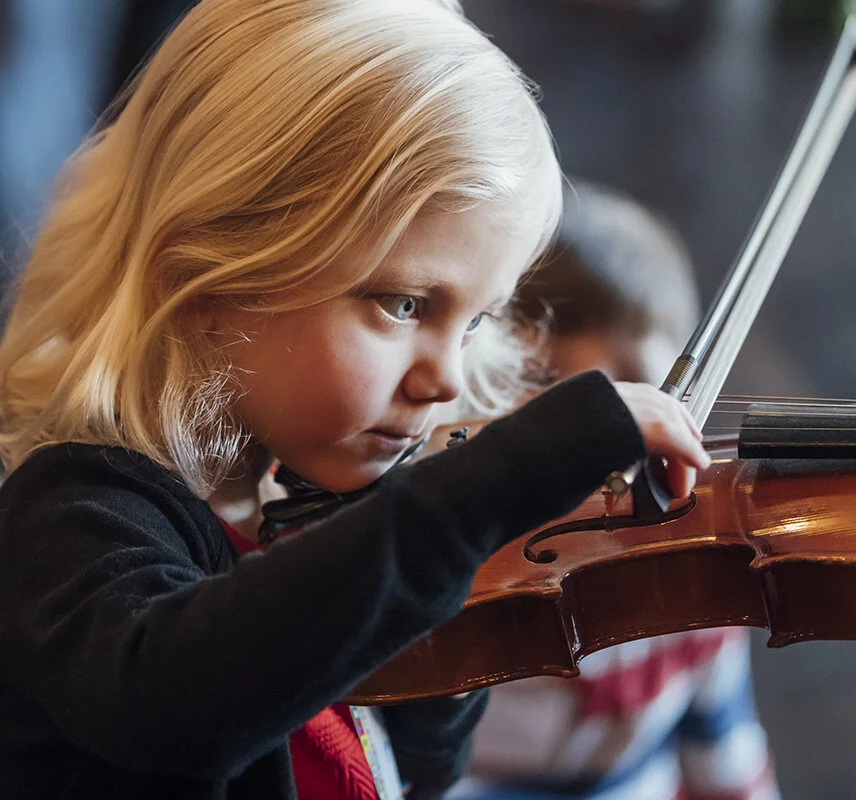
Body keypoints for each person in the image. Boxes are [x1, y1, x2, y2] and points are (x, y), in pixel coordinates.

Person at [0, 2, 711, 798]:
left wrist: (450, 573)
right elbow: (172, 702)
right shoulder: (69, 516)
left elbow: (415, 773)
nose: (443, 381)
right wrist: (478, 493)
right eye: (404, 305)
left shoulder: (296, 503)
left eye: (474, 321)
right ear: (209, 272)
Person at [448, 180, 779, 800]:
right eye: (544, 383)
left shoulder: (691, 582)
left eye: (631, 388)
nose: (592, 432)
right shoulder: (442, 570)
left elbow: (723, 752)